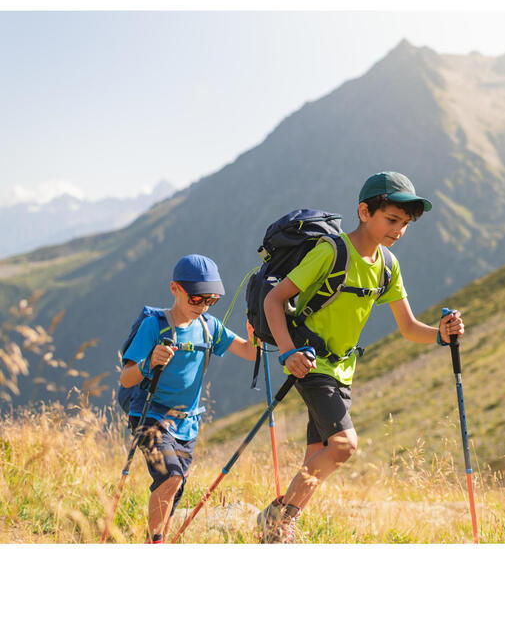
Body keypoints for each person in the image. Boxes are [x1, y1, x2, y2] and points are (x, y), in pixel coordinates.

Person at [259, 171, 465, 543]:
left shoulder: (387, 265)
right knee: (343, 445)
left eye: (404, 224)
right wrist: (288, 352)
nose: (398, 230)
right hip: (310, 362)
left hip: (343, 370)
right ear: (364, 211)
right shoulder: (331, 252)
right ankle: (278, 521)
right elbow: (273, 300)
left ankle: (280, 525)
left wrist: (441, 334)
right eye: (391, 220)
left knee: (318, 455)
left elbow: (408, 326)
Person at [120, 254, 257, 542]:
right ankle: (154, 543)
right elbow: (127, 378)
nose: (204, 305)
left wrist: (257, 335)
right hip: (150, 414)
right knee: (171, 476)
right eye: (197, 299)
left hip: (187, 424)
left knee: (175, 486)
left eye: (211, 299)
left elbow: (248, 352)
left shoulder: (209, 327)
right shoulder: (154, 326)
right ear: (175, 289)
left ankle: (159, 539)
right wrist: (148, 365)